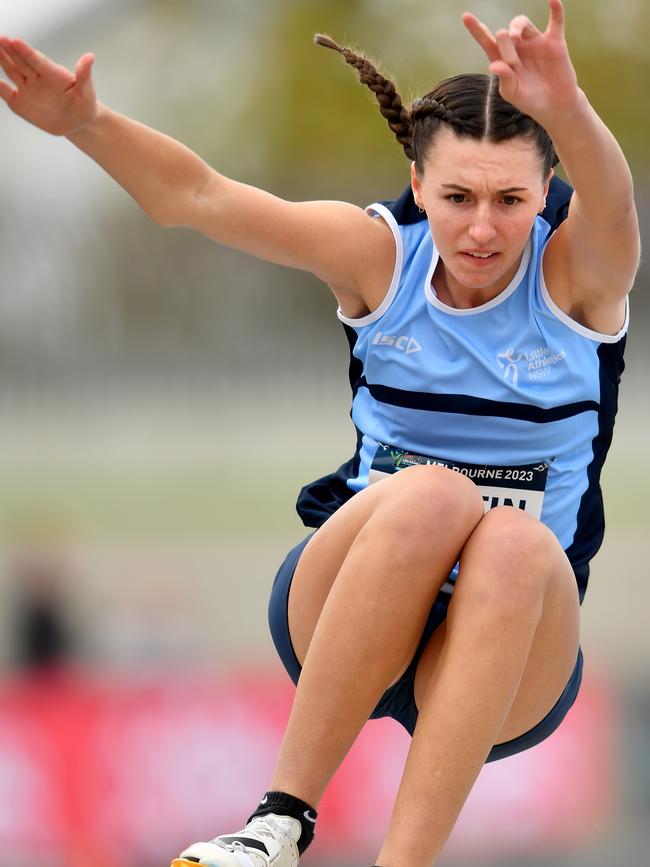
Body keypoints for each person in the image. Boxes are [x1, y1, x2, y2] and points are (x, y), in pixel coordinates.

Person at [0, 1, 639, 865]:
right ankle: (276, 823)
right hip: (356, 597)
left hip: (511, 642)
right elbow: (197, 197)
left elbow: (610, 206)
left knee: (520, 547)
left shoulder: (577, 279)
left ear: (544, 196)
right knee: (433, 494)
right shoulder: (379, 257)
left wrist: (568, 108)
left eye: (509, 200)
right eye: (456, 197)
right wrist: (87, 123)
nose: (482, 228)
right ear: (418, 187)